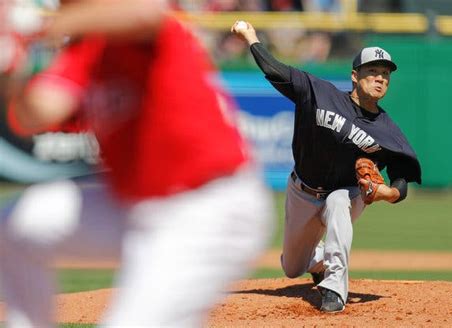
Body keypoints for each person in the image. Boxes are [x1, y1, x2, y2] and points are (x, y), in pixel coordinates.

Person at [0, 2, 275, 326]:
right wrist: (10, 63)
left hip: (209, 207)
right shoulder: (86, 51)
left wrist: (41, 24)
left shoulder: (141, 27)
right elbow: (35, 112)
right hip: (137, 206)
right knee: (16, 226)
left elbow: (144, 11)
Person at [231, 21, 421, 313]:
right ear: (355, 76)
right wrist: (251, 37)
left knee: (337, 199)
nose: (380, 78)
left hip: (347, 195)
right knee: (292, 267)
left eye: (385, 74)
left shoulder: (387, 131)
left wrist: (388, 194)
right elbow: (274, 70)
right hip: (302, 190)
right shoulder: (319, 93)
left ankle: (334, 288)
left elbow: (402, 177)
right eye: (373, 71)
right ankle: (319, 261)